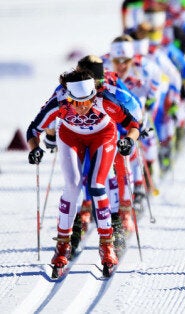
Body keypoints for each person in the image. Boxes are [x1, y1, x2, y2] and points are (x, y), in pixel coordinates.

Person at [26, 69, 140, 275]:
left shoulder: (105, 100)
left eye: (87, 101)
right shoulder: (59, 103)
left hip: (103, 135)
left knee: (97, 185)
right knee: (72, 186)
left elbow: (133, 124)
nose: (81, 108)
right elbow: (33, 129)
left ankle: (107, 246)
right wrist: (35, 148)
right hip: (70, 137)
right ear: (67, 96)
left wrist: (129, 140)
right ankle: (62, 246)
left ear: (93, 95)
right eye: (75, 102)